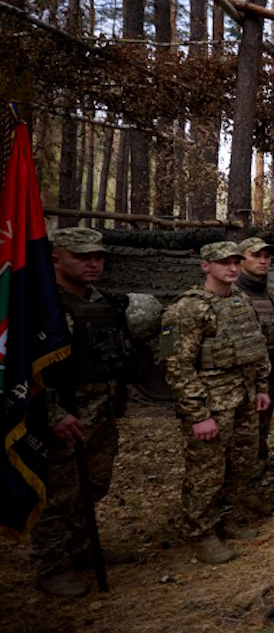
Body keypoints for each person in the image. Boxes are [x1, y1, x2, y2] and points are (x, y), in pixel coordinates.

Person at [30, 228, 135, 597]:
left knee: (92, 487)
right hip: (63, 417)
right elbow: (22, 371)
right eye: (82, 256)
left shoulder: (103, 301)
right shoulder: (41, 308)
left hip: (101, 410)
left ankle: (81, 548)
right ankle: (51, 564)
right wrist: (54, 413)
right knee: (59, 493)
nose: (94, 263)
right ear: (55, 258)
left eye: (98, 256)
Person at [161, 241, 271, 564]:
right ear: (205, 266)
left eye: (236, 261)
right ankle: (200, 532)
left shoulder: (240, 301)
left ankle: (223, 517)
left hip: (244, 399)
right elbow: (176, 365)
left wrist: (262, 388)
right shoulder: (186, 309)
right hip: (211, 405)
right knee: (206, 470)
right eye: (224, 262)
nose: (233, 268)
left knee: (241, 462)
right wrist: (197, 414)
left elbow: (257, 348)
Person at [234, 237, 274, 486]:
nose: (263, 261)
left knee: (261, 428)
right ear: (241, 259)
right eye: (256, 255)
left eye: (267, 256)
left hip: (271, 374)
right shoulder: (231, 292)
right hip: (238, 378)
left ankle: (255, 478)